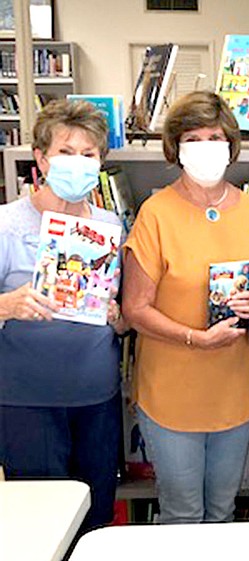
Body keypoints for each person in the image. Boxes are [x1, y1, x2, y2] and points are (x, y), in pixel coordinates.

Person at [122, 91, 249, 523]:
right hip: (172, 390)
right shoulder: (156, 213)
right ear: (176, 148)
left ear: (230, 143)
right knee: (183, 513)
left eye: (215, 136)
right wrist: (195, 338)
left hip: (234, 387)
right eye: (194, 137)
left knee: (223, 510)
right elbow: (135, 308)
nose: (207, 146)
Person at [0, 99, 125, 531]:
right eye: (65, 152)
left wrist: (116, 314)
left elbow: (124, 311)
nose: (78, 163)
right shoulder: (6, 224)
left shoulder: (110, 224)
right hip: (27, 401)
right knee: (41, 521)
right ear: (40, 158)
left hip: (97, 396)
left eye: (88, 155)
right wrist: (6, 304)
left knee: (97, 514)